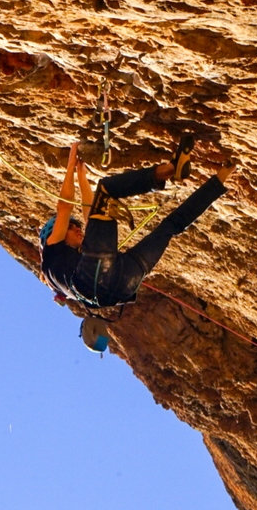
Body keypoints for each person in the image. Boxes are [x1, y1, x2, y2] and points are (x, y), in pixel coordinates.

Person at [39, 134, 234, 350]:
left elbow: (91, 216)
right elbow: (64, 208)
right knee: (106, 189)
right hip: (92, 282)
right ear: (53, 233)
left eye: (76, 226)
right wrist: (71, 163)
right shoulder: (51, 251)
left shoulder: (69, 267)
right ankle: (170, 169)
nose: (77, 228)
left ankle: (223, 176)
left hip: (121, 289)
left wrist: (82, 178)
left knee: (170, 227)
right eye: (70, 227)